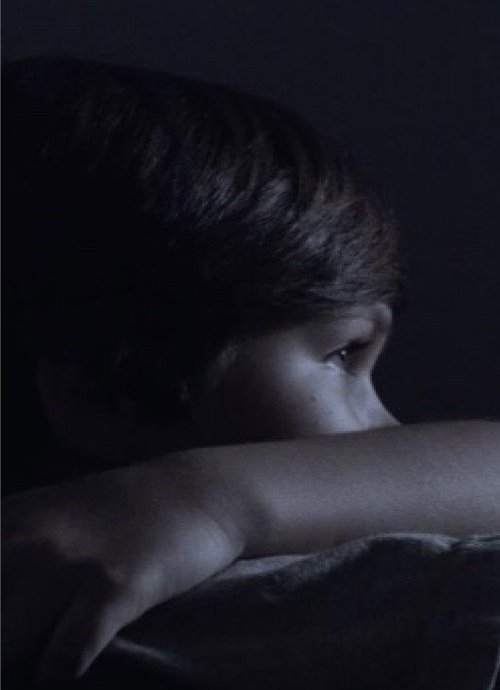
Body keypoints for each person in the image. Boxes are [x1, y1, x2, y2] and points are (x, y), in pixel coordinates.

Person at [2, 56, 499, 688]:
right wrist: (212, 502)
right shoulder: (397, 609)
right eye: (344, 354)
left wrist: (209, 498)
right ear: (99, 390)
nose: (389, 430)